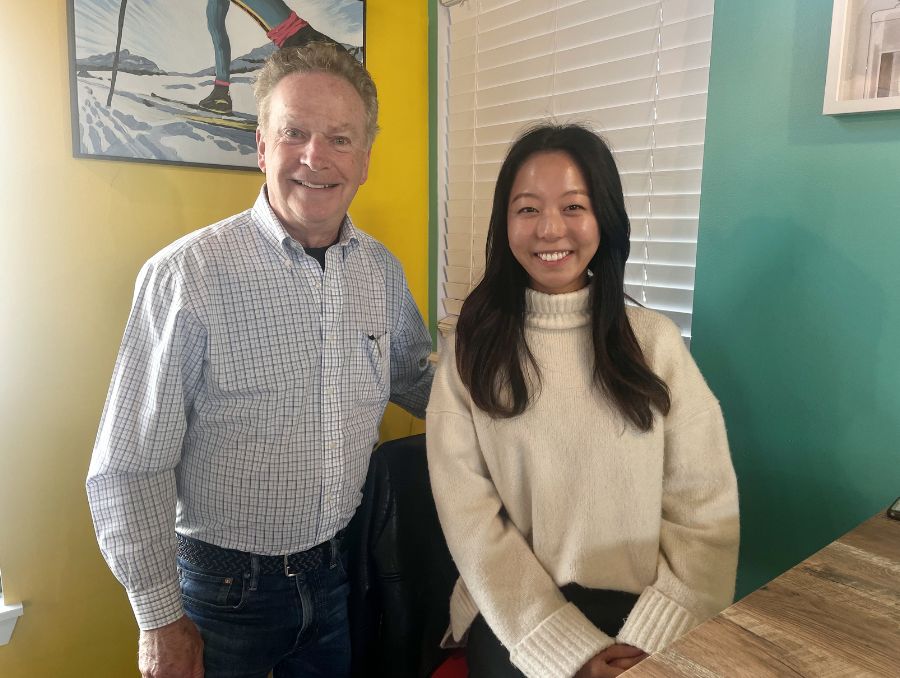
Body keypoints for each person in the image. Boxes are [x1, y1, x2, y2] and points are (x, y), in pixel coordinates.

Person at [87, 42, 434, 678]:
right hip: (223, 598)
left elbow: (421, 384)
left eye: (339, 138)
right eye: (293, 133)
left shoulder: (381, 273)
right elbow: (128, 468)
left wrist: (519, 373)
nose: (315, 157)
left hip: (338, 579)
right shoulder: (185, 276)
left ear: (364, 160)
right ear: (261, 147)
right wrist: (160, 622)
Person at [425, 123, 739, 678]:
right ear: (505, 222)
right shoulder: (472, 349)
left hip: (646, 611)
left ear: (604, 219)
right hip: (517, 615)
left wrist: (652, 639)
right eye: (527, 209)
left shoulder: (654, 343)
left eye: (574, 206)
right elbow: (472, 524)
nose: (550, 229)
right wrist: (567, 650)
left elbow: (704, 509)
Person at [200, 0, 349, 114]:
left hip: (301, 47)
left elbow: (218, 33)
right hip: (307, 43)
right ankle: (220, 94)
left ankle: (220, 93)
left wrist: (221, 87)